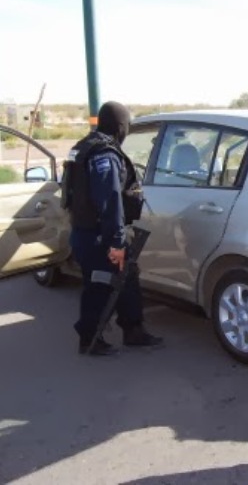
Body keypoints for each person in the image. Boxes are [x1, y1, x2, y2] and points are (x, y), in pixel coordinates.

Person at [66, 101, 163, 355]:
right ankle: (89, 339)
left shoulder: (83, 147)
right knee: (100, 287)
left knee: (126, 277)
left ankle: (133, 330)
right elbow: (110, 202)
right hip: (99, 235)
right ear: (120, 126)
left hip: (86, 231)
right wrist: (117, 242)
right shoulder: (104, 155)